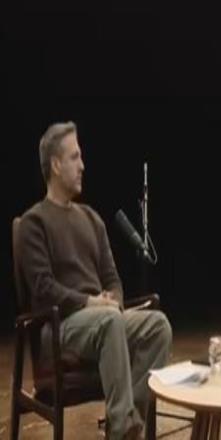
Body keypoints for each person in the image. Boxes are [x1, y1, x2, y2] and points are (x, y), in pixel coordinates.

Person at [17, 121, 173, 440]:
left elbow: (112, 279)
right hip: (59, 325)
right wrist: (91, 303)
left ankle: (128, 425)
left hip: (102, 321)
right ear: (56, 165)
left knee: (158, 326)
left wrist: (113, 302)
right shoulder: (34, 222)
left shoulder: (91, 218)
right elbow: (43, 288)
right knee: (108, 321)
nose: (83, 166)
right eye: (75, 157)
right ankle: (123, 428)